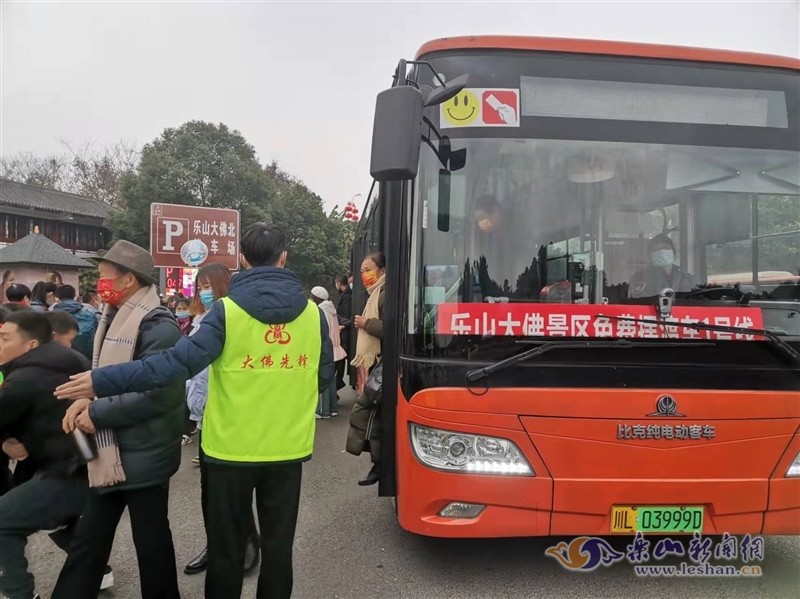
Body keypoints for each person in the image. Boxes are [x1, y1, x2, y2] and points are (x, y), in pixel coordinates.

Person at [55, 223, 334, 599]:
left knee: (226, 551)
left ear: (242, 260)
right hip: (287, 450)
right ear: (284, 258)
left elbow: (172, 366)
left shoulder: (226, 313)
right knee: (278, 551)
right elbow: (324, 377)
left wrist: (102, 381)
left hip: (228, 451)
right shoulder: (312, 316)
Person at [51, 240, 185, 599]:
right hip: (110, 452)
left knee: (151, 545)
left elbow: (160, 392)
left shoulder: (158, 326)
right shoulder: (112, 318)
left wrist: (96, 410)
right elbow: (106, 378)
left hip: (145, 454)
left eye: (106, 276)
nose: (100, 283)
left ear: (128, 279)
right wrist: (86, 400)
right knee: (88, 543)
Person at [0, 311, 114, 599]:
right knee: (46, 514)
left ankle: (18, 593)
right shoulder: (71, 359)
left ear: (31, 344)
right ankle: (96, 571)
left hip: (68, 471)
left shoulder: (24, 378)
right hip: (86, 464)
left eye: (4, 338)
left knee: (4, 521)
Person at [182, 262, 261, 577]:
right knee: (209, 490)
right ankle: (215, 545)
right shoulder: (198, 320)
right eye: (199, 285)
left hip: (232, 416)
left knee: (234, 488)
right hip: (206, 417)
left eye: (208, 284)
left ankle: (245, 542)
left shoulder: (236, 318)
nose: (203, 291)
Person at [346, 251, 386, 486]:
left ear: (382, 271)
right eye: (361, 270)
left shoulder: (385, 293)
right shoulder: (375, 293)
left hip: (386, 363)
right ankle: (378, 463)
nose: (364, 275)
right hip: (379, 362)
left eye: (368, 269)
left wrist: (366, 324)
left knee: (367, 411)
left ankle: (380, 465)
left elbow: (393, 327)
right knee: (370, 413)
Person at [311, 286, 346, 419]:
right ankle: (332, 409)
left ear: (316, 298)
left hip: (326, 348)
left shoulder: (320, 311)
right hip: (336, 349)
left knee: (323, 378)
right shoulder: (331, 310)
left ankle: (323, 411)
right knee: (331, 380)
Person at [629, 233, 697, 298]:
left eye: (665, 247)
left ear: (674, 253)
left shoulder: (687, 279)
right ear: (649, 256)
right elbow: (637, 301)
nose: (662, 252)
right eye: (656, 249)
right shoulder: (639, 277)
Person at [52, 285, 99, 361]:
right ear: (74, 296)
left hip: (59, 360)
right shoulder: (91, 314)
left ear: (57, 298)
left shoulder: (49, 316)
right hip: (87, 360)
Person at [335, 274, 353, 392]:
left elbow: (346, 317)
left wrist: (342, 325)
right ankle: (337, 383)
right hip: (344, 331)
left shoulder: (347, 297)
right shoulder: (345, 295)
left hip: (345, 332)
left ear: (338, 283)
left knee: (340, 359)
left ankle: (337, 383)